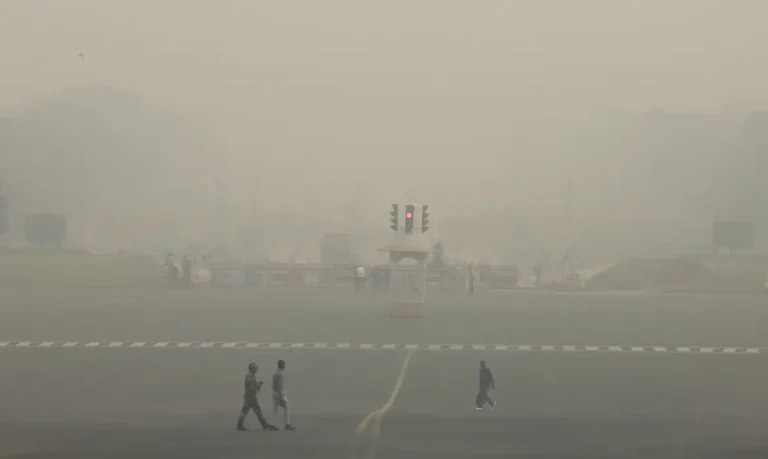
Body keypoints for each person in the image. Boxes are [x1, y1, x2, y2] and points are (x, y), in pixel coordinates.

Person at [237, 363, 279, 431]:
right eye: (255, 368)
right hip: (251, 398)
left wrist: (257, 384)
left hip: (249, 398)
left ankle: (239, 425)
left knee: (246, 412)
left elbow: (251, 387)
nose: (256, 369)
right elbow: (250, 388)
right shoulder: (250, 377)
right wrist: (258, 385)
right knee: (257, 411)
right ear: (252, 369)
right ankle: (264, 425)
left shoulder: (251, 376)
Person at [272, 360, 295, 431]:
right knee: (286, 406)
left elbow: (273, 385)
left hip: (275, 393)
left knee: (275, 409)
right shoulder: (280, 374)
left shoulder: (275, 373)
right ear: (282, 365)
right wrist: (281, 394)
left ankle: (274, 425)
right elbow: (279, 386)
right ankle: (287, 424)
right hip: (280, 394)